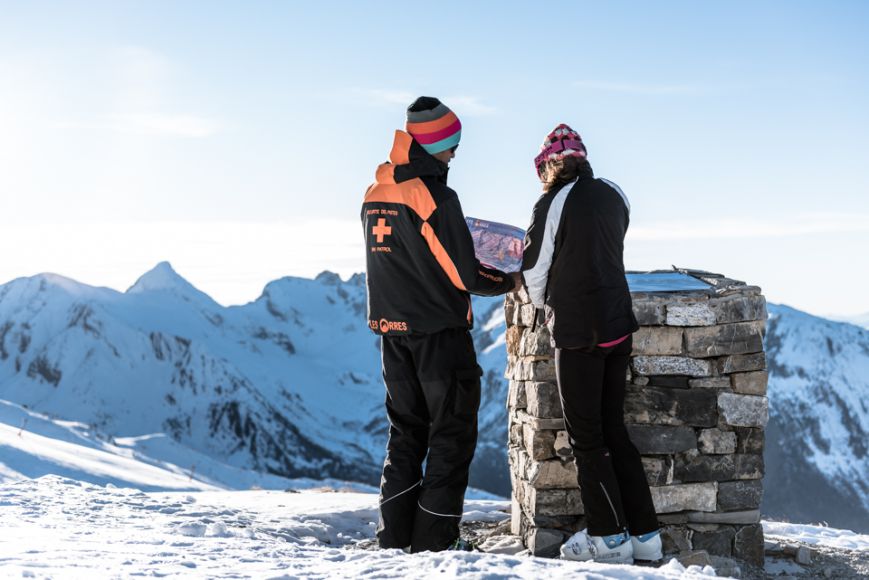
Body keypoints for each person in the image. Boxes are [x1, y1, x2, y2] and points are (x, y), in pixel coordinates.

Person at [361, 96, 520, 553]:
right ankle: (435, 540)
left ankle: (394, 537)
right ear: (434, 145)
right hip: (439, 334)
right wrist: (508, 278)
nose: (455, 153)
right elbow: (464, 272)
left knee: (406, 433)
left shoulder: (375, 193)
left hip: (393, 334)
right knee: (451, 434)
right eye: (452, 144)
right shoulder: (435, 197)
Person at [520, 124, 661, 563]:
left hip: (579, 331)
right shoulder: (615, 193)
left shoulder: (552, 202)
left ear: (548, 166)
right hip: (618, 324)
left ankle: (607, 538)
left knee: (587, 437)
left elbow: (533, 268)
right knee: (614, 430)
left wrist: (544, 307)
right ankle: (645, 535)